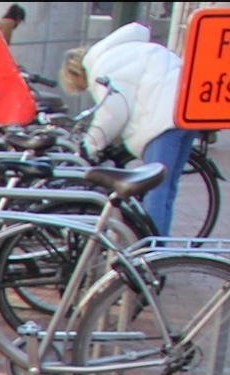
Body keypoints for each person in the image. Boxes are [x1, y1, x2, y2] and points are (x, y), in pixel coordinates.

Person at [81, 20, 193, 233]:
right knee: (168, 186)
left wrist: (91, 145)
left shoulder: (102, 66)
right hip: (187, 109)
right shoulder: (132, 50)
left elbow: (113, 112)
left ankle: (151, 250)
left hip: (163, 119)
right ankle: (161, 242)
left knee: (155, 187)